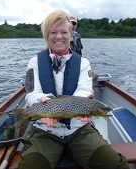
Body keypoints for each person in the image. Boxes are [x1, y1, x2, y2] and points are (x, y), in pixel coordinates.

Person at [17, 10, 129, 169]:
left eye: (64, 32)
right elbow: (32, 93)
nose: (58, 36)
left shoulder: (84, 63)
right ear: (46, 36)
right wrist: (42, 100)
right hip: (45, 130)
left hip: (79, 129)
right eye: (53, 32)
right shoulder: (34, 62)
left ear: (71, 34)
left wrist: (80, 106)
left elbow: (84, 89)